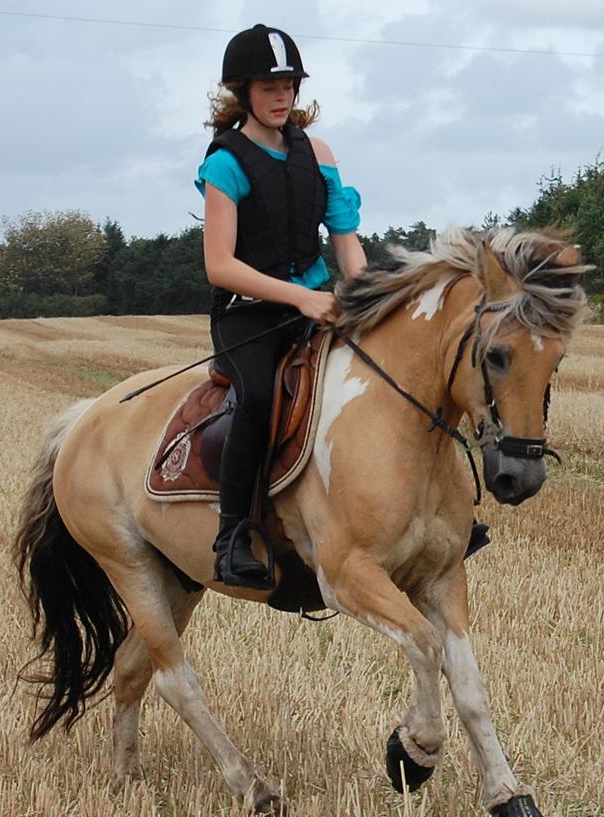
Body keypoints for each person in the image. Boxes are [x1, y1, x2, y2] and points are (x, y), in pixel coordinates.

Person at [197, 24, 367, 589]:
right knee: (260, 397)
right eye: (269, 85)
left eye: (289, 83)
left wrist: (365, 298)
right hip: (248, 315)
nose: (282, 95)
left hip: (317, 305)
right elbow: (220, 265)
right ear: (242, 90)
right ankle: (231, 537)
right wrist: (302, 296)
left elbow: (344, 237)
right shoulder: (226, 162)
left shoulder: (318, 153)